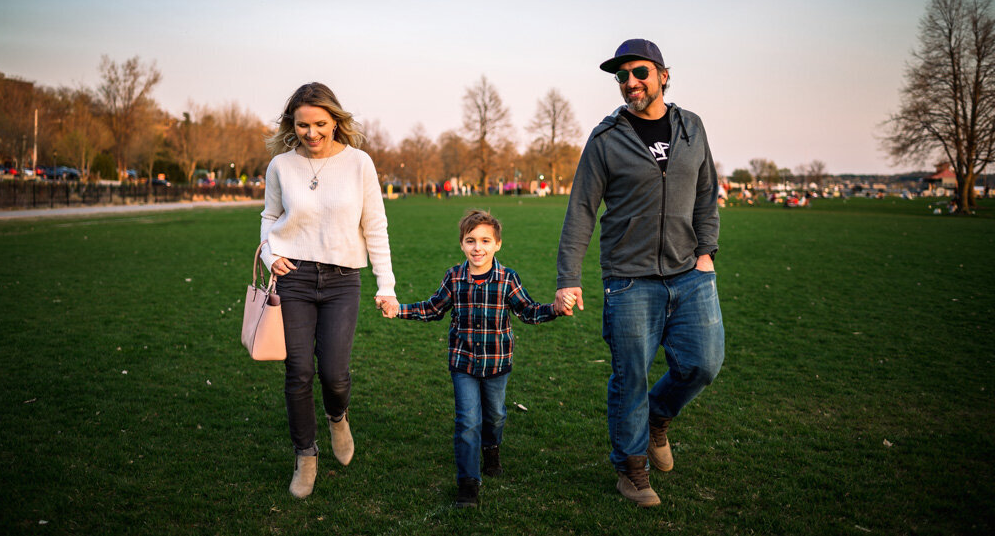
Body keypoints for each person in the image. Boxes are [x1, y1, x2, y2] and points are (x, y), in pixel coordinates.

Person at [554, 39, 725, 508]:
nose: (631, 82)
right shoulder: (606, 137)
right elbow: (582, 209)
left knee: (703, 364)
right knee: (630, 376)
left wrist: (707, 252)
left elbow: (707, 192)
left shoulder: (693, 128)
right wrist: (569, 276)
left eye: (640, 73)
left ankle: (657, 418)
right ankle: (631, 471)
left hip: (690, 272)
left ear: (663, 75)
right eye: (622, 75)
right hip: (629, 279)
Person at [379, 210, 573, 508]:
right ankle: (468, 483)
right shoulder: (454, 277)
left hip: (497, 362)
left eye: (485, 240)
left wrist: (556, 309)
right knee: (467, 421)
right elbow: (433, 309)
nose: (477, 247)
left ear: (498, 244)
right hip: (463, 363)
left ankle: (491, 447)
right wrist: (398, 309)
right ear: (461, 244)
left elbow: (528, 311)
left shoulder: (508, 279)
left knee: (494, 416)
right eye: (471, 241)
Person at [260, 82, 397, 499]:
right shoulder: (281, 165)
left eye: (320, 123)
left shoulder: (359, 163)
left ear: (336, 120)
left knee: (334, 373)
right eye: (303, 125)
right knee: (298, 372)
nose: (312, 133)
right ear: (292, 125)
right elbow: (269, 216)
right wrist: (270, 256)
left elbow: (375, 225)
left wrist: (385, 284)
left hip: (342, 282)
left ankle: (338, 416)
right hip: (294, 279)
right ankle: (305, 454)